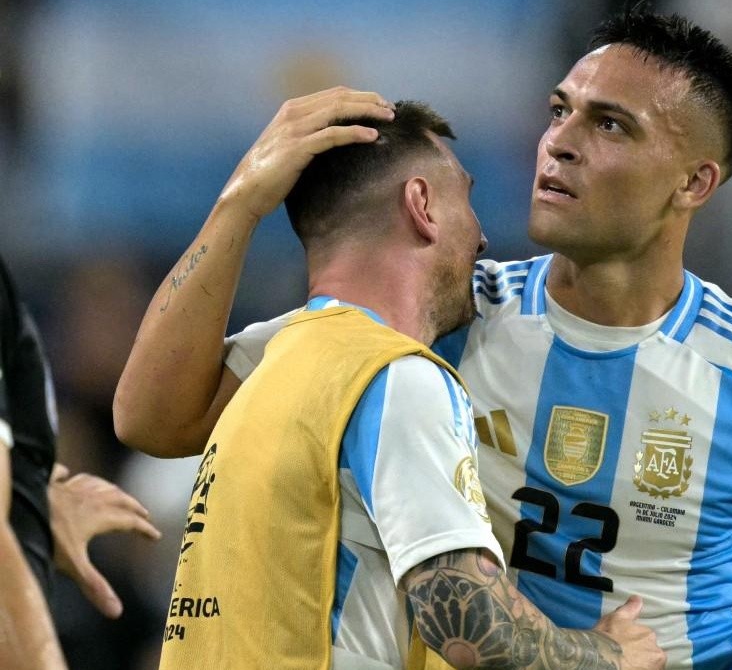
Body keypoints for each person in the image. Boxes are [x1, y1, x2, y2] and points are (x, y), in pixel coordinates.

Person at [116, 7, 732, 670]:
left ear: (694, 181)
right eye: (559, 110)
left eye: (609, 124)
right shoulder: (448, 320)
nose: (559, 142)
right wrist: (238, 205)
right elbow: (159, 417)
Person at [149, 94, 662, 670]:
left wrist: (240, 202)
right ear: (422, 204)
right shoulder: (396, 378)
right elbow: (470, 625)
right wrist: (610, 657)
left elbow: (143, 413)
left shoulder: (286, 356)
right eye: (465, 197)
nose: (483, 237)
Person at [2, 254, 162, 670]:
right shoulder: (44, 421)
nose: (108, 331)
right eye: (95, 315)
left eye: (123, 315)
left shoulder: (173, 437)